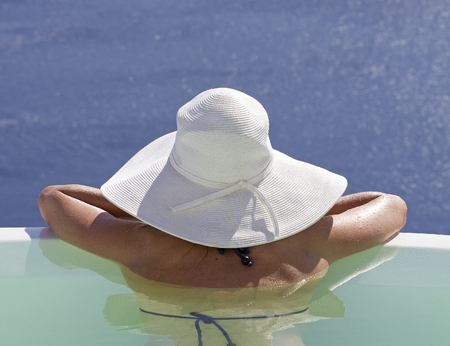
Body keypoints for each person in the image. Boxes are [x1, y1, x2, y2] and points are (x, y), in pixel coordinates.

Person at [38, 88, 407, 289]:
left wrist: (153, 210)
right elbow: (390, 206)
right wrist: (301, 215)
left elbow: (54, 199)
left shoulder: (138, 245)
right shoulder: (310, 244)